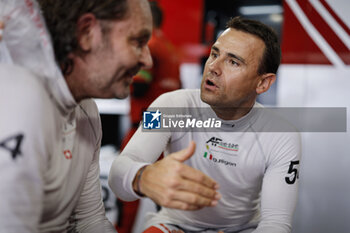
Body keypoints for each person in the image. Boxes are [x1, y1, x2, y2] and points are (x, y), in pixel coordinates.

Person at [109, 17, 301, 233]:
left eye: (233, 62)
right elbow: (118, 173)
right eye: (215, 54)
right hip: (174, 225)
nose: (213, 67)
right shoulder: (170, 106)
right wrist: (141, 177)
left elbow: (276, 223)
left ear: (263, 83)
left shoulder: (281, 134)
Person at [0, 0, 153, 231]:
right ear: (86, 33)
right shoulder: (18, 98)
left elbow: (89, 220)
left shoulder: (87, 111)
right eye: (137, 42)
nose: (147, 60)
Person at [117, 1, 181, 232]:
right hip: (166, 128)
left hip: (144, 126)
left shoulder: (150, 45)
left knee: (126, 193)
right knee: (165, 200)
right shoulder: (171, 49)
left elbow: (140, 85)